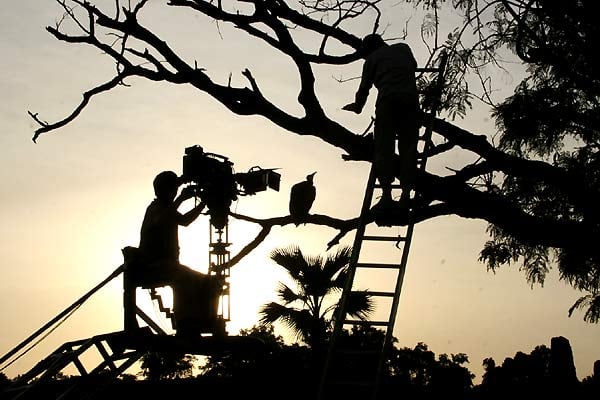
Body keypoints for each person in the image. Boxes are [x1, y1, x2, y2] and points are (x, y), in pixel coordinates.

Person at [125, 170, 221, 336]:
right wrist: (181, 199)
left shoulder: (167, 208)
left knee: (207, 281)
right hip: (152, 265)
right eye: (171, 189)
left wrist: (203, 203)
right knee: (184, 278)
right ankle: (185, 323)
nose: (174, 192)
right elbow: (162, 220)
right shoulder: (155, 209)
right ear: (160, 191)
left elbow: (185, 221)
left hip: (168, 266)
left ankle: (205, 321)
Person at [343, 33, 420, 215]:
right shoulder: (403, 48)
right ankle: (406, 195)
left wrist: (357, 107)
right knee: (409, 147)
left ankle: (386, 195)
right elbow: (413, 66)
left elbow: (364, 88)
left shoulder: (371, 60)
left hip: (388, 102)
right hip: (410, 101)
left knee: (384, 147)